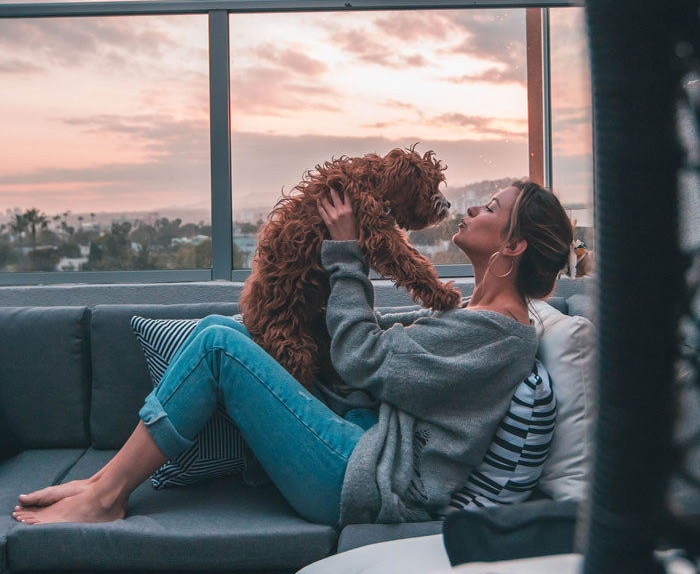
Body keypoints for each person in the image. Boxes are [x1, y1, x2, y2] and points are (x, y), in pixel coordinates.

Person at [11, 180, 573, 528]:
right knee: (217, 325)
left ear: (514, 245)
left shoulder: (498, 336)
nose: (473, 207)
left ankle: (106, 495)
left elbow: (363, 359)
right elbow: (386, 353)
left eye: (492, 207)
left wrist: (345, 252)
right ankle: (100, 482)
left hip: (358, 479)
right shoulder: (478, 318)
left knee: (215, 344)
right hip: (358, 437)